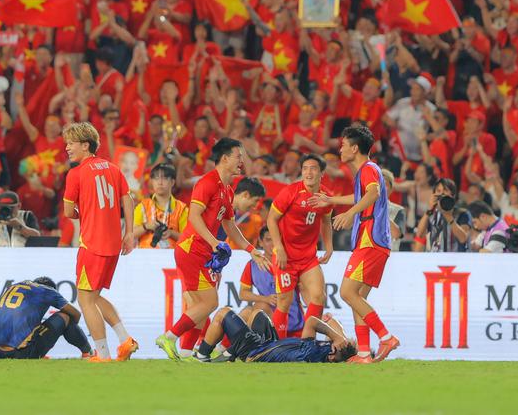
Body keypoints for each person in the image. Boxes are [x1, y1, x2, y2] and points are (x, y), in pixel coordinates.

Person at [157, 137, 270, 361]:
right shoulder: (207, 183)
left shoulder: (227, 190)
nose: (242, 161)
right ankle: (168, 337)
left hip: (202, 252)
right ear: (225, 158)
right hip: (192, 249)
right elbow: (194, 216)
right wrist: (214, 242)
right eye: (239, 157)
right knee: (210, 303)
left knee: (199, 306)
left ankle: (188, 353)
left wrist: (250, 249)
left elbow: (230, 225)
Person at [311, 124, 399, 363]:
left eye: (343, 145)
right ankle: (362, 353)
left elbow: (372, 194)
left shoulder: (368, 169)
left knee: (347, 292)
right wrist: (332, 200)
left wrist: (350, 213)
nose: (340, 149)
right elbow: (362, 195)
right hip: (374, 241)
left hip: (370, 240)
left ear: (355, 147)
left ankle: (386, 337)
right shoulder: (366, 172)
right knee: (358, 298)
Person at [61, 121, 137, 362]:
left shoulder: (75, 174)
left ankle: (102, 354)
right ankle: (125, 340)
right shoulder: (114, 169)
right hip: (114, 242)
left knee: (85, 298)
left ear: (85, 145)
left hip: (92, 243)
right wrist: (130, 232)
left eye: (71, 143)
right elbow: (128, 200)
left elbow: (67, 211)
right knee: (94, 297)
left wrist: (82, 211)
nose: (67, 148)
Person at [266, 153, 334, 338]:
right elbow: (271, 219)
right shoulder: (290, 192)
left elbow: (326, 222)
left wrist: (329, 247)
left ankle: (307, 342)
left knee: (319, 297)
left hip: (308, 257)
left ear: (322, 173)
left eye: (313, 168)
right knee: (284, 302)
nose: (308, 172)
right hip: (285, 256)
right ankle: (277, 346)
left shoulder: (327, 196)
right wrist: (278, 247)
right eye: (305, 169)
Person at [193, 305, 357, 364]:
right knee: (258, 312)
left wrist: (337, 337)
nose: (330, 340)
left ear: (331, 353)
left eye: (332, 343)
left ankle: (203, 356)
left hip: (255, 351)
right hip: (271, 345)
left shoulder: (311, 351)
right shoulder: (314, 349)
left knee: (223, 313)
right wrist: (339, 337)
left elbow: (312, 321)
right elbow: (334, 324)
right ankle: (231, 352)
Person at [0, 277, 93, 359]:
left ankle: (36, 351)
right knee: (65, 316)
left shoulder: (14, 286)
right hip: (21, 353)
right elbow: (76, 314)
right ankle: (88, 353)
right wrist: (68, 329)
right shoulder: (47, 291)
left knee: (33, 325)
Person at [132, 163, 189, 249]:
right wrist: (146, 226)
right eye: (156, 178)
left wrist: (171, 233)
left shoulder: (182, 209)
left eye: (165, 178)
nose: (160, 182)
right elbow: (131, 234)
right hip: (145, 256)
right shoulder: (142, 206)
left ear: (173, 182)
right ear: (152, 182)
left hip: (172, 257)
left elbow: (188, 239)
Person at [415, 178, 472, 252]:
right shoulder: (431, 214)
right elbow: (419, 234)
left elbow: (463, 238)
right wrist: (429, 210)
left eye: (445, 191)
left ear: (453, 195)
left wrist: (449, 217)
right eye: (438, 191)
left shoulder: (462, 213)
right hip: (436, 259)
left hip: (455, 260)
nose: (441, 194)